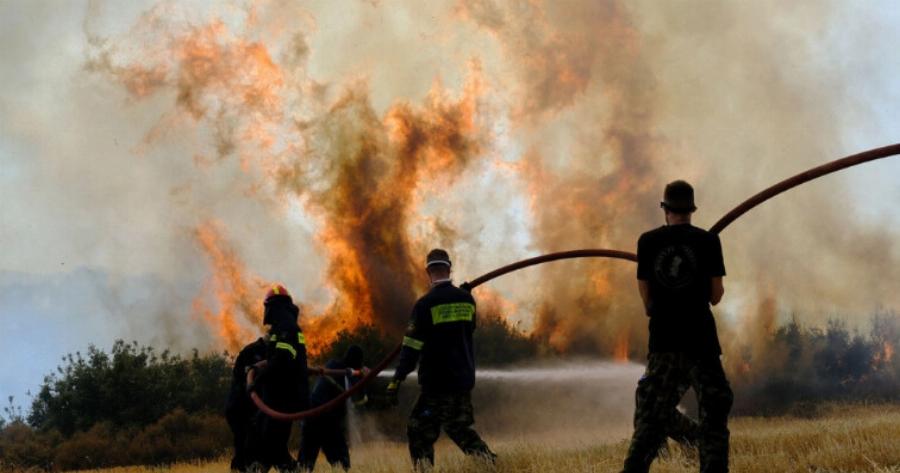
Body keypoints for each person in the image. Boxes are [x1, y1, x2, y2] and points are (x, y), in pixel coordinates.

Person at [621, 180, 733, 473]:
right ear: (692, 209)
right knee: (714, 416)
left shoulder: (647, 242)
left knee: (650, 417)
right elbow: (716, 295)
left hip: (664, 342)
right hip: (702, 343)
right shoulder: (709, 242)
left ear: (665, 209)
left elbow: (646, 301)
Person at [387, 248, 496, 470]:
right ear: (449, 268)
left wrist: (397, 379)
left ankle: (425, 470)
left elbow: (411, 348)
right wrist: (462, 294)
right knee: (460, 429)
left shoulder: (424, 305)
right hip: (463, 380)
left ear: (428, 272)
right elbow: (468, 329)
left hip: (437, 384)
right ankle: (491, 465)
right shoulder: (467, 300)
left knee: (418, 430)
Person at [248, 284, 309, 473]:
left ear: (276, 307)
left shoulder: (287, 328)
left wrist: (258, 380)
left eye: (268, 307)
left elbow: (282, 361)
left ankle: (269, 468)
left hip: (285, 397)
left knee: (270, 441)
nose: (266, 311)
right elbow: (276, 359)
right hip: (276, 396)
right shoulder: (281, 328)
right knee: (268, 441)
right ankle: (280, 468)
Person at [298, 345, 368, 471]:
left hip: (311, 417)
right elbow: (359, 401)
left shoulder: (332, 364)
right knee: (342, 463)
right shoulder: (346, 375)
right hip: (326, 421)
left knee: (305, 465)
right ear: (357, 362)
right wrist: (363, 378)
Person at [226, 336, 268, 472]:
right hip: (239, 408)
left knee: (250, 441)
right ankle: (241, 467)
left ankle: (243, 467)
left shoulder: (270, 352)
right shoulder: (250, 351)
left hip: (251, 408)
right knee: (244, 441)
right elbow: (240, 376)